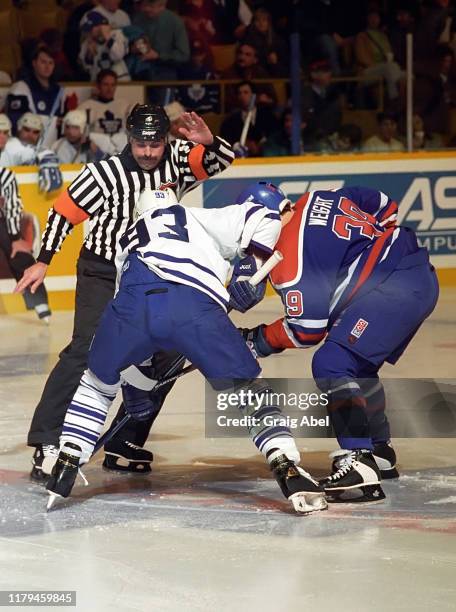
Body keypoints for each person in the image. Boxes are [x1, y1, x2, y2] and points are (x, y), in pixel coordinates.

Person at [45, 186, 327, 516]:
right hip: (195, 305)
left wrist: (138, 383)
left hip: (134, 304)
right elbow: (264, 217)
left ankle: (67, 460)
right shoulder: (194, 215)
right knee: (247, 390)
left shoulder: (126, 239)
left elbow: (133, 317)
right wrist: (252, 265)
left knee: (96, 384)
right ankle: (285, 463)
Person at [15, 104, 235, 482]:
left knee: (167, 353)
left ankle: (123, 440)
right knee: (86, 349)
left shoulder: (178, 159)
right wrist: (44, 260)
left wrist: (209, 141)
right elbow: (63, 213)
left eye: (155, 143)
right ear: (129, 140)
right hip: (102, 270)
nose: (148, 152)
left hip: (152, 270)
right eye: (140, 143)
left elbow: (221, 161)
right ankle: (47, 442)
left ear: (166, 140)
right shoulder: (103, 174)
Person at [231, 182, 439, 503]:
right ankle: (379, 449)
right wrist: (375, 250)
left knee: (331, 362)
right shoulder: (317, 196)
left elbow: (307, 329)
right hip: (417, 271)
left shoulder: (290, 261)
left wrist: (257, 340)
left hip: (392, 286)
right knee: (357, 363)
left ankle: (359, 458)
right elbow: (384, 203)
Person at [0, 159, 51, 323]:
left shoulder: (5, 175)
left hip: (2, 222)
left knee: (19, 253)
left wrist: (15, 238)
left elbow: (12, 207)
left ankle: (39, 301)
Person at [6, 45, 64, 151]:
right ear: (34, 63)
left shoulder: (58, 90)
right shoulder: (20, 87)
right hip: (24, 147)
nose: (47, 66)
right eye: (43, 62)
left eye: (51, 63)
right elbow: (15, 120)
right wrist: (50, 121)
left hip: (51, 148)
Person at [0, 113, 63, 194]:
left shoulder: (12, 146)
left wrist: (46, 156)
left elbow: (30, 152)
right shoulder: (11, 145)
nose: (2, 136)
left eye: (5, 133)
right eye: (26, 129)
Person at [132, 0, 190, 80]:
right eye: (145, 5)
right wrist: (133, 48)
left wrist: (158, 56)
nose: (146, 8)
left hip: (165, 78)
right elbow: (132, 45)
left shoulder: (175, 22)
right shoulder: (137, 19)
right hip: (140, 76)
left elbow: (183, 55)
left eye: (150, 6)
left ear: (162, 6)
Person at [220, 81, 278, 156]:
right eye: (239, 93)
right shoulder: (230, 121)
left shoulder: (268, 116)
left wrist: (261, 146)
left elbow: (275, 136)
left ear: (254, 96)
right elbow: (225, 142)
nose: (242, 96)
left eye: (246, 92)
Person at [79, 11, 130, 81]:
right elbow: (86, 67)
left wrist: (107, 38)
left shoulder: (117, 35)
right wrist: (89, 54)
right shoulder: (87, 42)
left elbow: (118, 55)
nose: (89, 31)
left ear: (101, 26)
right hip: (98, 82)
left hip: (120, 80)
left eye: (91, 28)